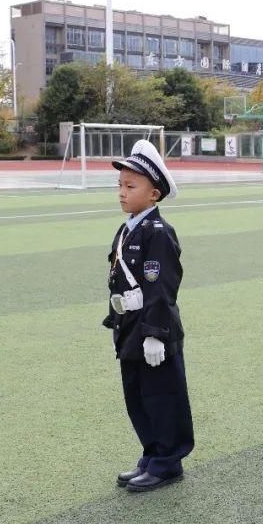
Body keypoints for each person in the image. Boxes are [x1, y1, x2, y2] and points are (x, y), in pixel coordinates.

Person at [104, 140, 194, 492]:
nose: (122, 193)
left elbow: (162, 287)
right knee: (138, 397)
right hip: (129, 328)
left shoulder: (158, 233)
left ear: (154, 193)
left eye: (131, 186)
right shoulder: (127, 229)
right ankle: (152, 454)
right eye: (120, 185)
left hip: (152, 330)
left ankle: (168, 462)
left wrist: (156, 333)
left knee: (162, 397)